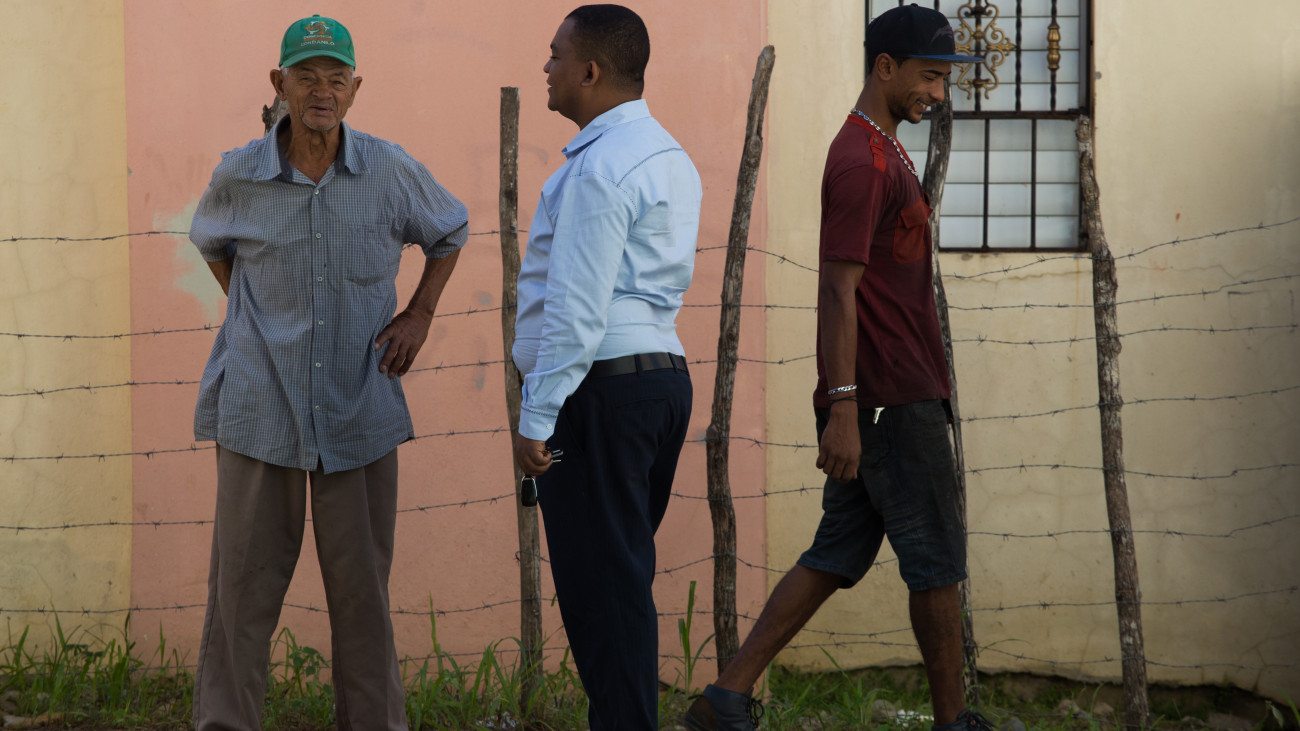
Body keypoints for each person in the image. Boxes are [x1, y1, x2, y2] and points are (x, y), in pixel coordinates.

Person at [684, 5, 990, 731]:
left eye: (944, 80)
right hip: (888, 402)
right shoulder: (863, 161)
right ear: (884, 67)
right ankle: (953, 722)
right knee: (937, 562)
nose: (938, 94)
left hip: (885, 398)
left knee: (835, 553)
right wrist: (845, 407)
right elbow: (836, 287)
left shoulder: (885, 149)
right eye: (929, 77)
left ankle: (725, 698)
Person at [188, 14, 468, 731]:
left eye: (335, 77)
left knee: (362, 595)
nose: (321, 90)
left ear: (355, 88)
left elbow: (450, 229)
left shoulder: (389, 169)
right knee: (241, 595)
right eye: (306, 75)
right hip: (260, 407)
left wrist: (420, 314)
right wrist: (253, 314)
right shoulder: (238, 174)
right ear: (278, 84)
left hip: (357, 407)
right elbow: (212, 242)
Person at [511, 5, 702, 729]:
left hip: (601, 388)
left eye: (556, 55)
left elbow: (577, 307)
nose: (547, 68)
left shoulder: (600, 167)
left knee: (603, 594)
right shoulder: (666, 153)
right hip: (658, 381)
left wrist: (536, 415)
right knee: (619, 578)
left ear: (590, 71)